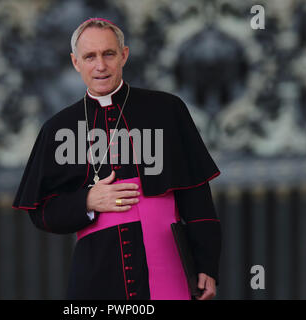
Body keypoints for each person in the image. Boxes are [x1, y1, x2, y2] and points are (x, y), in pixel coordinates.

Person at [12, 18, 221, 300]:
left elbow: (196, 194)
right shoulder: (58, 128)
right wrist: (86, 201)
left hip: (167, 261)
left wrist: (206, 264)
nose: (101, 66)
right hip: (98, 270)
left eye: (108, 54)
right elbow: (40, 212)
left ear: (123, 55)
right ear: (76, 62)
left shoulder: (166, 110)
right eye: (90, 56)